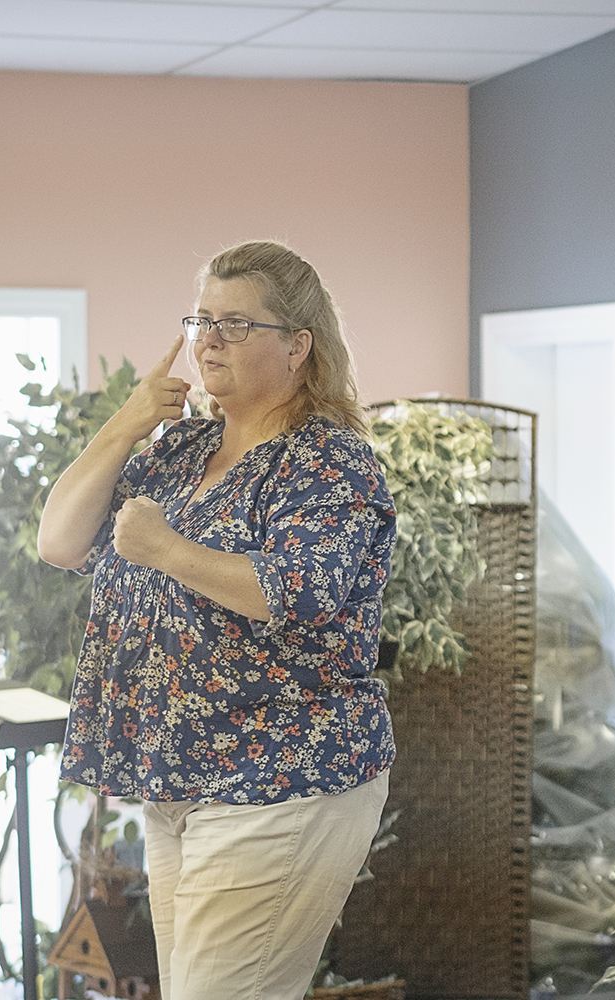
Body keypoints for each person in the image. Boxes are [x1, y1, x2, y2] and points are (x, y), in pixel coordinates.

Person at [39, 241, 397, 1000]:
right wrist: (124, 425)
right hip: (181, 782)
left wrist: (168, 549)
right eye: (201, 319)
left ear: (298, 346)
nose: (207, 339)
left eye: (235, 323)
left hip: (279, 781)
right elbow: (59, 540)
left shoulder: (329, 461)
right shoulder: (181, 449)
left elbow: (301, 592)